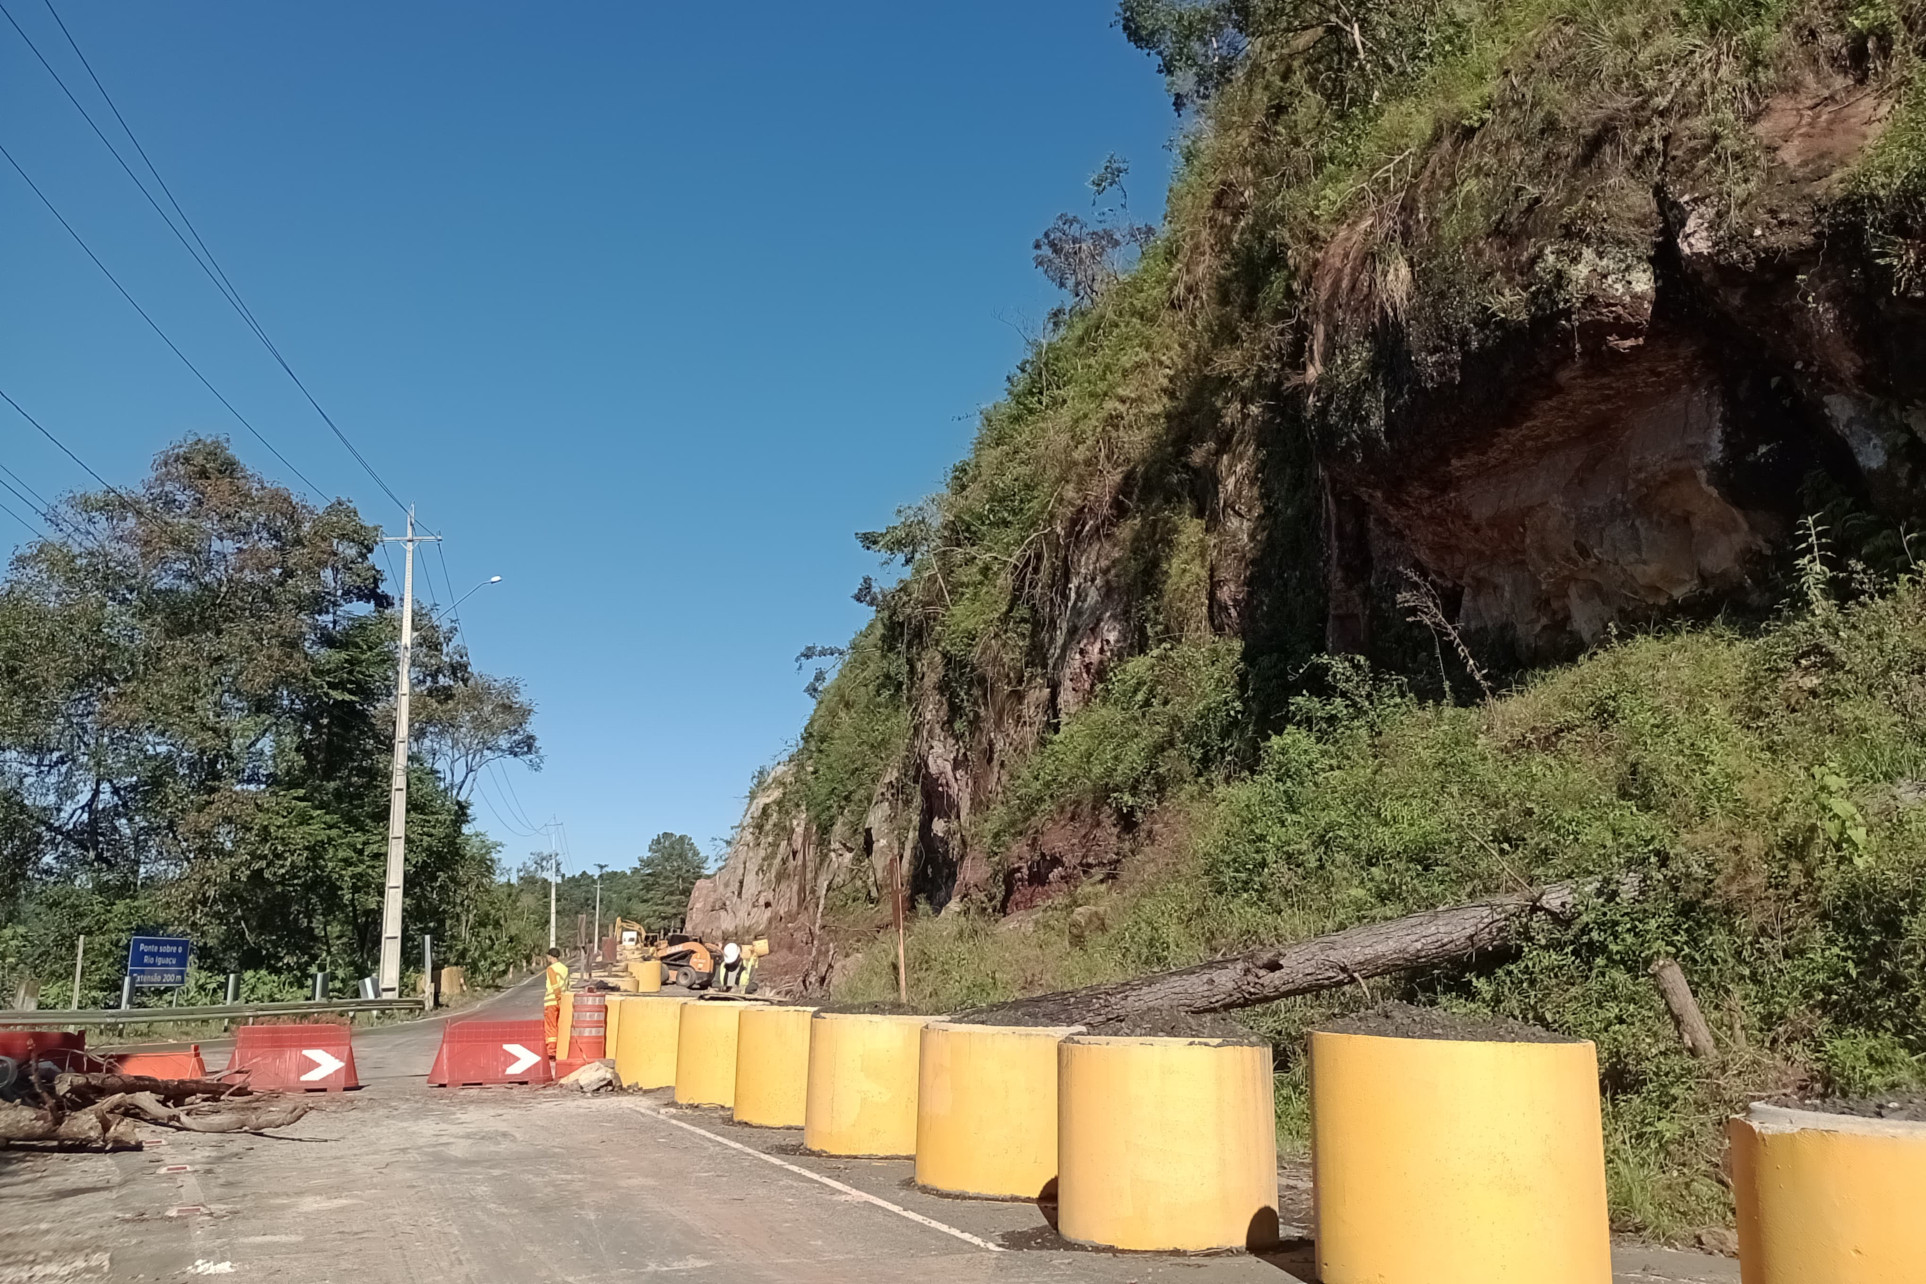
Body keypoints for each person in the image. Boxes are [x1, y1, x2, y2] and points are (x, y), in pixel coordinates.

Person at [542, 947, 569, 1059]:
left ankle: (552, 1051)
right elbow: (567, 984)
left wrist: (557, 998)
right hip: (563, 1000)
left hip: (552, 1001)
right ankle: (561, 1048)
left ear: (550, 956)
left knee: (551, 1026)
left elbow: (554, 985)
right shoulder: (565, 968)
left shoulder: (551, 969)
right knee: (560, 1025)